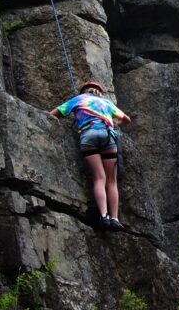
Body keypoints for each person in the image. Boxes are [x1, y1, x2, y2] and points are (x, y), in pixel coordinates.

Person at [50, 80, 131, 231]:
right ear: (99, 91)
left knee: (99, 178)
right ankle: (114, 218)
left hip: (89, 135)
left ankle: (104, 216)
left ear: (84, 91)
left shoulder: (78, 99)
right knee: (111, 181)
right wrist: (117, 123)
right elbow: (127, 119)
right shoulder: (106, 103)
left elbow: (54, 114)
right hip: (108, 136)